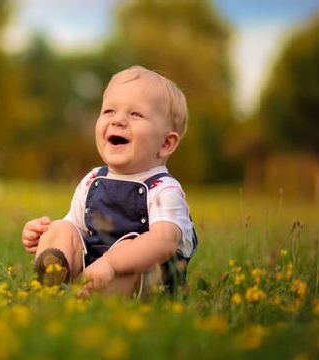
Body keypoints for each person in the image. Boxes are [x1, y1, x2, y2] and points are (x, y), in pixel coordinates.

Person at [21, 65, 198, 298]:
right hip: (95, 270)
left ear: (165, 144)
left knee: (130, 247)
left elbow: (164, 241)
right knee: (60, 228)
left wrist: (112, 264)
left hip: (145, 282)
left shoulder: (164, 189)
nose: (118, 121)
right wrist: (43, 235)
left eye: (135, 114)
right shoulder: (92, 180)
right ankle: (54, 279)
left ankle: (81, 296)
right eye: (109, 111)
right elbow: (76, 229)